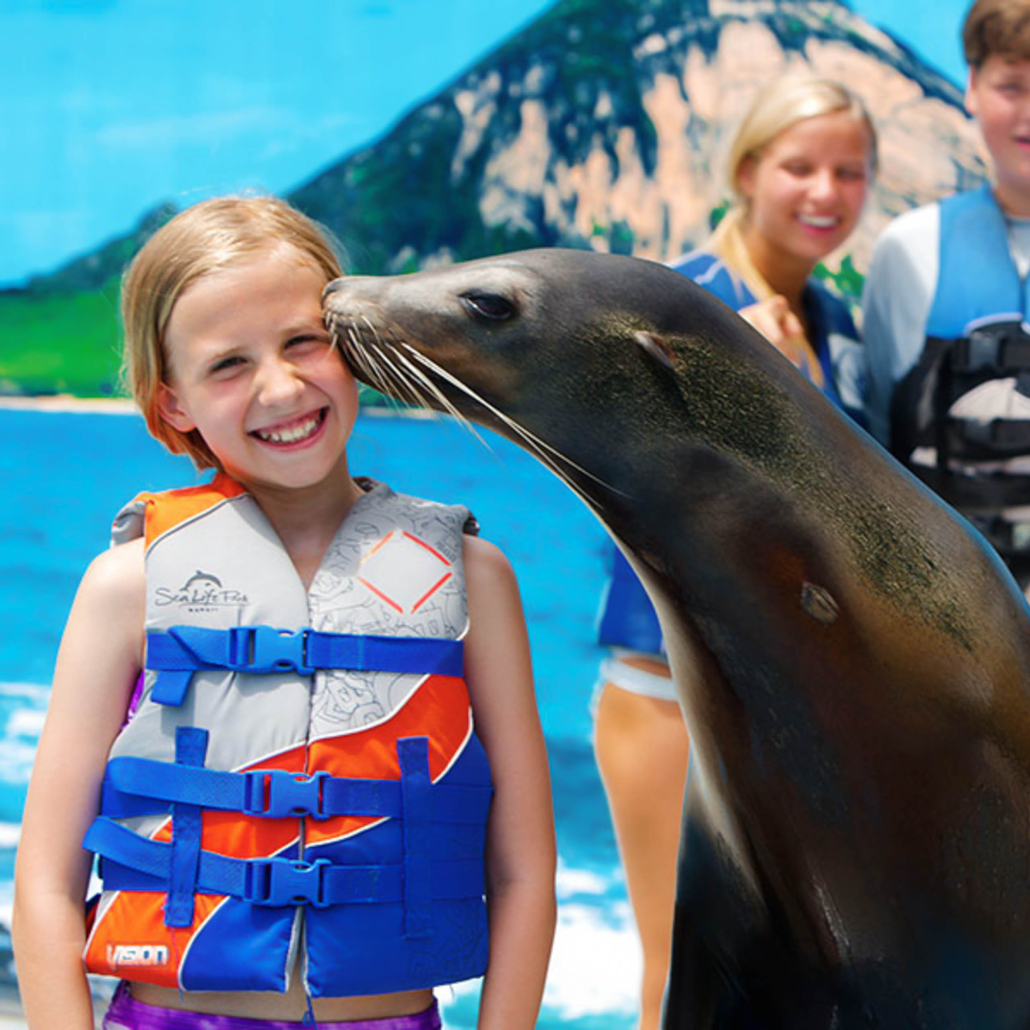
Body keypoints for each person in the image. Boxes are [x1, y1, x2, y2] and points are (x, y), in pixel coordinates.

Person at [12, 196, 556, 1030]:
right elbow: (45, 884)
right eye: (228, 365)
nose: (282, 386)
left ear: (357, 350)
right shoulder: (125, 589)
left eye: (306, 341)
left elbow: (522, 873)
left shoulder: (474, 581)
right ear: (173, 406)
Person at [593, 75, 876, 1030]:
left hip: (793, 718)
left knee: (781, 990)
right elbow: (633, 489)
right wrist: (741, 389)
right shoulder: (678, 306)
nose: (825, 192)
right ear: (748, 171)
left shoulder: (841, 324)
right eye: (800, 167)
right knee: (677, 983)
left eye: (851, 171)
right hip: (670, 696)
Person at [863, 0, 1030, 588]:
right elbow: (878, 447)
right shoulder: (909, 249)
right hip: (948, 607)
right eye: (1011, 86)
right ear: (972, 90)